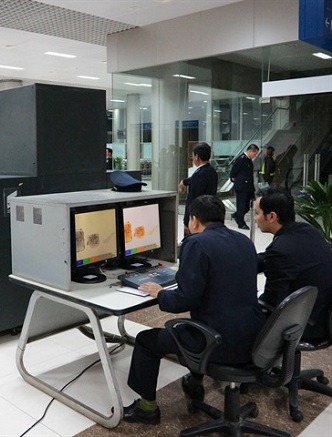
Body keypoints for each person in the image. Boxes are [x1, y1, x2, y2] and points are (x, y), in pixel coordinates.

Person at [123, 195, 265, 425]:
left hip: (219, 343)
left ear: (194, 220)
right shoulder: (244, 241)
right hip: (254, 338)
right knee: (201, 325)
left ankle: (146, 408)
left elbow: (184, 300)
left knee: (147, 340)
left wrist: (160, 293)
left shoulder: (196, 244)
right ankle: (195, 383)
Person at [254, 187, 332, 341]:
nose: (255, 218)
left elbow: (272, 302)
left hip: (303, 326)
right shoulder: (307, 231)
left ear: (271, 216)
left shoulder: (281, 250)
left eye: (257, 213)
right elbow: (278, 258)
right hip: (323, 318)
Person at [178, 142, 218, 236]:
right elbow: (194, 179)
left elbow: (192, 199)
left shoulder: (199, 175)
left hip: (198, 219)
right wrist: (185, 181)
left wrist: (187, 221)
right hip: (209, 215)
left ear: (197, 157)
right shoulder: (211, 171)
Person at [230, 144, 259, 229]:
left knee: (248, 205)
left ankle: (237, 215)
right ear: (250, 151)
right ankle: (241, 223)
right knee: (242, 205)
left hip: (248, 186)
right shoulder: (241, 159)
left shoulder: (248, 160)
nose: (255, 155)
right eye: (255, 153)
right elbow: (234, 171)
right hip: (241, 186)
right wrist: (235, 179)